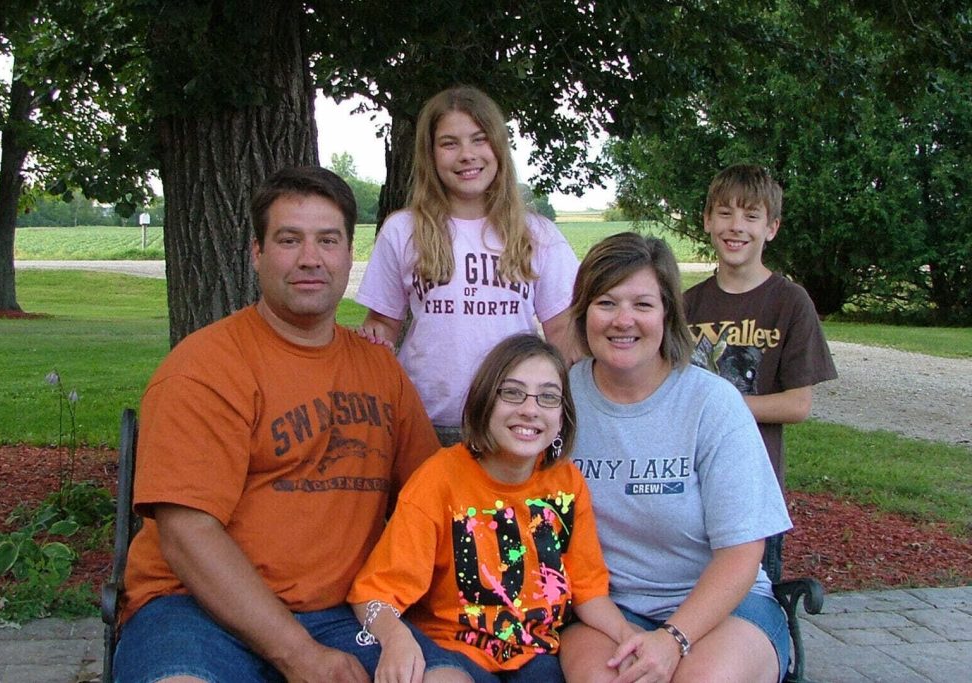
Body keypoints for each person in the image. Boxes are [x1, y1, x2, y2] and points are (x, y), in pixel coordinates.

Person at [113, 166, 441, 683]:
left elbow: (432, 500)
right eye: (289, 240)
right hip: (196, 609)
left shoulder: (380, 371)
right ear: (257, 253)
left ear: (348, 254)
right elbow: (186, 534)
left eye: (327, 241)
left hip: (342, 612)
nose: (310, 258)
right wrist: (299, 656)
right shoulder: (205, 368)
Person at [560, 233, 793, 683]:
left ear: (668, 314)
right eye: (606, 303)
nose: (623, 320)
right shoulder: (558, 401)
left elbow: (743, 552)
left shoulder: (713, 404)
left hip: (723, 607)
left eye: (643, 305)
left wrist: (673, 640)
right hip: (605, 608)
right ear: (583, 311)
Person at [348, 334, 635, 683]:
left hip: (537, 655)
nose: (530, 409)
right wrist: (395, 639)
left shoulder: (566, 483)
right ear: (485, 401)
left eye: (548, 397)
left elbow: (588, 592)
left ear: (562, 416)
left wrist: (629, 638)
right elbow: (374, 595)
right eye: (512, 392)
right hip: (453, 650)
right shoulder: (439, 480)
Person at [355, 86, 580, 445]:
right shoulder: (402, 230)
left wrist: (561, 403)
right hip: (425, 421)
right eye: (449, 143)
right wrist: (373, 341)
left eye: (479, 140)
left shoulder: (538, 234)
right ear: (430, 154)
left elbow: (563, 328)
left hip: (512, 422)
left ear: (498, 148)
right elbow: (382, 324)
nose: (466, 155)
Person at [683, 164, 837, 581]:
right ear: (708, 220)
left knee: (751, 600)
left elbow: (799, 404)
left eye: (751, 216)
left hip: (753, 489)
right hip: (685, 487)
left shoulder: (789, 302)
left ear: (771, 228)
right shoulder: (684, 306)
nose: (736, 227)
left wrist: (724, 405)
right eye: (725, 213)